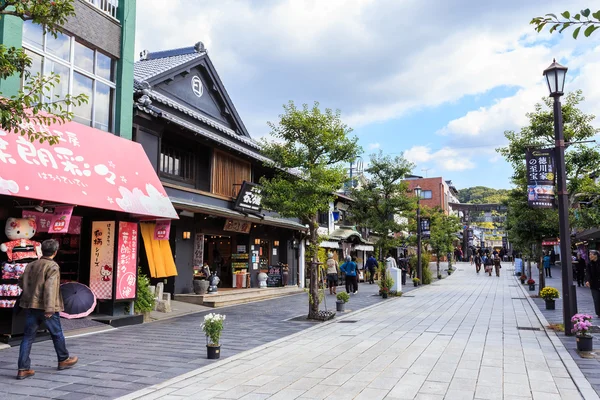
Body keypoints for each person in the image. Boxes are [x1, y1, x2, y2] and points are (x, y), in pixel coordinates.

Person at [16, 239, 78, 380]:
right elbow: (50, 288)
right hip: (46, 307)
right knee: (57, 334)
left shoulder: (31, 265)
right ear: (55, 252)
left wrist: (30, 292)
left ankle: (23, 369)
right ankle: (63, 359)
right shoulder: (52, 266)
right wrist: (49, 308)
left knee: (28, 337)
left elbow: (20, 281)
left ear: (42, 250)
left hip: (30, 306)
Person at [586, 250, 600, 317]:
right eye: (589, 255)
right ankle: (598, 313)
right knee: (596, 299)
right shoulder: (589, 264)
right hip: (594, 284)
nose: (590, 256)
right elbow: (588, 273)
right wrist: (587, 281)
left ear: (595, 255)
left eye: (591, 254)